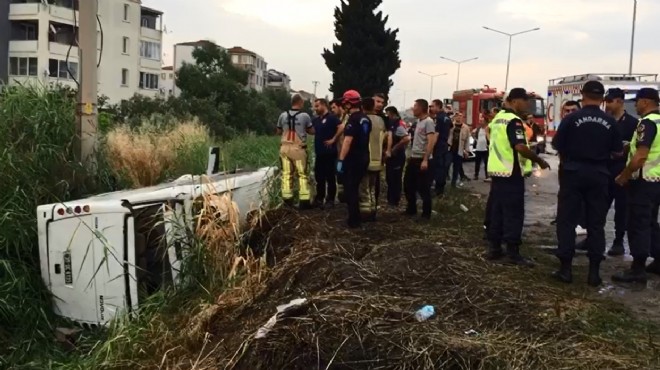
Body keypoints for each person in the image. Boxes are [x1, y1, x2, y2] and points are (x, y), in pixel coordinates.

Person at [551, 81, 623, 286]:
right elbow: (618, 151)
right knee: (596, 223)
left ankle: (565, 270)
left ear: (583, 95)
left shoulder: (571, 118)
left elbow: (557, 145)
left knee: (567, 220)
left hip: (573, 173)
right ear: (602, 98)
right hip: (599, 174)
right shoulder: (610, 122)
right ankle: (594, 273)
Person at [486, 88, 550, 267]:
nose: (528, 105)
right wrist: (539, 161)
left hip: (497, 172)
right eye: (525, 101)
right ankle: (513, 253)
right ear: (515, 101)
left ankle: (494, 248)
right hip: (511, 173)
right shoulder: (514, 121)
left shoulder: (497, 118)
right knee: (514, 213)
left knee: (497, 212)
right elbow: (520, 147)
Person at [612, 88, 660, 284]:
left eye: (638, 102)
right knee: (650, 223)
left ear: (646, 102)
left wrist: (624, 175)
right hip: (656, 181)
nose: (636, 107)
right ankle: (658, 260)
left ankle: (637, 268)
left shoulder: (647, 123)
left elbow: (640, 156)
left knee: (638, 223)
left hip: (643, 181)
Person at [603, 88, 639, 256]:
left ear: (619, 101)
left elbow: (635, 148)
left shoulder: (633, 123)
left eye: (610, 101)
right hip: (604, 170)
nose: (607, 105)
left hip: (622, 171)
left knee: (622, 208)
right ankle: (592, 238)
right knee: (598, 206)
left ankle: (618, 242)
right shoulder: (605, 121)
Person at [336, 90, 371, 228]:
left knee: (351, 189)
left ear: (349, 104)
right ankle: (356, 218)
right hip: (364, 157)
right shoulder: (365, 118)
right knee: (355, 187)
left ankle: (353, 220)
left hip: (353, 159)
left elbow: (347, 141)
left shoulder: (353, 120)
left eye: (345, 103)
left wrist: (341, 160)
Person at [276, 94, 314, 209]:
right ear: (300, 102)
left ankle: (287, 201)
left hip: (284, 149)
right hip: (298, 150)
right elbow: (311, 131)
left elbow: (278, 131)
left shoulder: (282, 115)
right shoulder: (305, 116)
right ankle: (304, 202)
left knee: (286, 174)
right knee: (302, 175)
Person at [404, 99, 436, 220]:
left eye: (415, 106)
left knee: (423, 188)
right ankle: (411, 209)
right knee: (408, 185)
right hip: (413, 158)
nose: (413, 108)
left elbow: (431, 141)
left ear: (422, 108)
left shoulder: (428, 122)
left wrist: (425, 159)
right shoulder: (418, 121)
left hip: (422, 160)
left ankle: (426, 215)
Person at [361, 97, 388, 221]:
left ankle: (365, 214)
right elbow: (386, 139)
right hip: (377, 160)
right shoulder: (381, 121)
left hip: (365, 159)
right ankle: (373, 210)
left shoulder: (363, 120)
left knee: (364, 188)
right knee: (372, 187)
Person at [312, 98, 341, 209]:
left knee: (330, 177)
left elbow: (341, 127)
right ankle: (319, 198)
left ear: (324, 105)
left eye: (317, 106)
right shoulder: (316, 120)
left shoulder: (332, 118)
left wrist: (334, 139)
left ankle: (330, 199)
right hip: (319, 153)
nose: (316, 108)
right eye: (315, 106)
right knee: (319, 177)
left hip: (329, 153)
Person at [384, 106, 411, 207]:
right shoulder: (393, 124)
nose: (387, 116)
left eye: (388, 114)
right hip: (393, 157)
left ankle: (394, 200)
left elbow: (406, 139)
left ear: (392, 113)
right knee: (390, 178)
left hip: (397, 157)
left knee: (395, 178)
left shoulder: (398, 125)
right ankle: (391, 199)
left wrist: (394, 149)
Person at [327, 98, 347, 203]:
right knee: (339, 174)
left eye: (334, 107)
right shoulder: (336, 120)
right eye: (331, 108)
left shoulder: (347, 119)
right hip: (339, 154)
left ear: (340, 107)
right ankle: (341, 197)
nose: (332, 110)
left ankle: (345, 197)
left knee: (345, 175)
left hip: (347, 154)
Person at [431, 99, 453, 196]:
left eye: (433, 106)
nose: (431, 108)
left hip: (439, 146)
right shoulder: (447, 118)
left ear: (438, 106)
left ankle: (438, 191)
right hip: (444, 146)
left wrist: (431, 148)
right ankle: (441, 190)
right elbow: (451, 127)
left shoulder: (439, 118)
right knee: (443, 168)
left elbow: (436, 134)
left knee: (438, 168)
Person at [448, 113, 471, 187]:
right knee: (447, 164)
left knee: (456, 167)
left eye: (461, 116)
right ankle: (445, 179)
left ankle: (453, 183)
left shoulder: (466, 128)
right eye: (457, 116)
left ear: (463, 118)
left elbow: (467, 140)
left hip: (459, 150)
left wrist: (466, 151)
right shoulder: (451, 126)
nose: (459, 117)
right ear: (455, 117)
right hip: (450, 149)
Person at [473, 115, 489, 181]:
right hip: (478, 148)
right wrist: (475, 139)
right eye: (480, 121)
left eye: (482, 121)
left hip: (485, 149)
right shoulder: (479, 128)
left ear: (485, 122)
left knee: (486, 163)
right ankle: (476, 175)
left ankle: (487, 175)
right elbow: (473, 133)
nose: (480, 122)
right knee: (477, 163)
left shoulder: (488, 128)